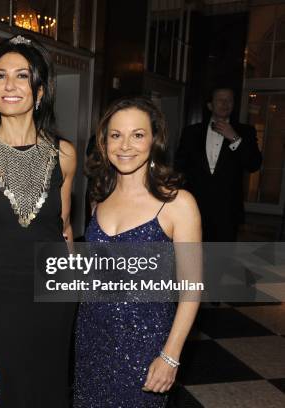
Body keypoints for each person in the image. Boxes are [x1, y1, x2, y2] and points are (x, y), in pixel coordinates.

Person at [0, 35, 78, 407]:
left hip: (52, 297)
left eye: (21, 76)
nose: (9, 85)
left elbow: (64, 228)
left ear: (40, 90)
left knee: (47, 388)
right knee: (2, 390)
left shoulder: (65, 154)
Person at [75, 97, 201, 407]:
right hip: (91, 338)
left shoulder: (177, 204)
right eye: (116, 135)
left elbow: (192, 289)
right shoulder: (99, 198)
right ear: (104, 142)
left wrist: (170, 356)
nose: (125, 145)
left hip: (145, 345)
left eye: (138, 135)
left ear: (154, 140)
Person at [175, 86, 262, 241]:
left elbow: (254, 164)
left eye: (229, 100)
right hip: (195, 207)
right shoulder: (191, 132)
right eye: (220, 100)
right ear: (210, 105)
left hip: (228, 209)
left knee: (223, 258)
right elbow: (180, 165)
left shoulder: (245, 131)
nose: (225, 103)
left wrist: (235, 138)